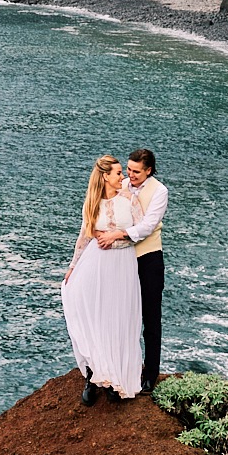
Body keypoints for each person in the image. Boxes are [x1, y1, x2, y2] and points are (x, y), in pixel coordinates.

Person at [62, 154, 142, 404]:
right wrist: (73, 266)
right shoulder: (92, 202)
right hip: (96, 262)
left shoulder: (130, 199)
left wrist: (115, 236)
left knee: (119, 317)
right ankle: (92, 374)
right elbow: (84, 237)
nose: (124, 177)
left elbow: (140, 231)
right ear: (105, 176)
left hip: (123, 263)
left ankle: (116, 378)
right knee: (94, 315)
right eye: (119, 173)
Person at [117, 148, 166, 395]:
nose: (131, 175)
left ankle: (151, 374)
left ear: (148, 170)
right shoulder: (122, 185)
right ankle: (125, 368)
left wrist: (119, 234)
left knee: (150, 319)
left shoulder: (160, 191)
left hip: (149, 259)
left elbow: (147, 226)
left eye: (136, 171)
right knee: (123, 316)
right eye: (129, 169)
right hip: (123, 259)